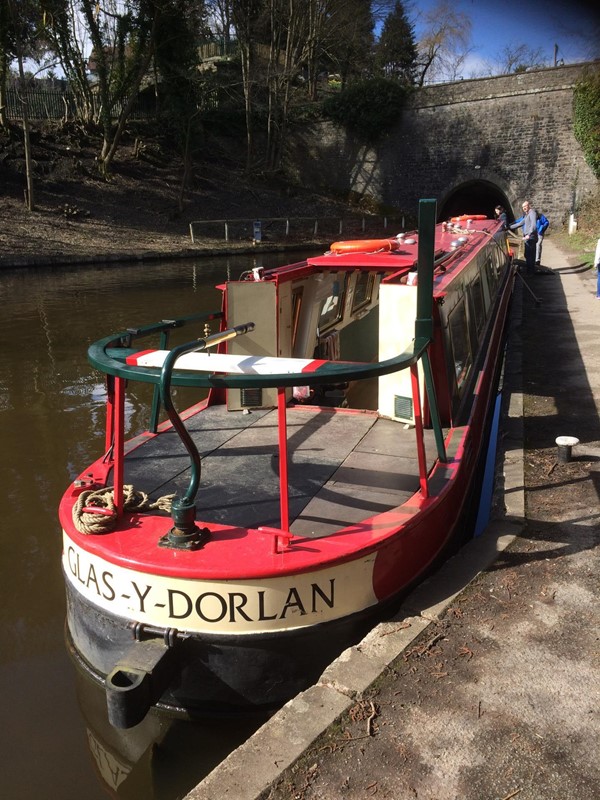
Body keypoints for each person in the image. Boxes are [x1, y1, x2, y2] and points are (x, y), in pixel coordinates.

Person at [509, 200, 538, 275]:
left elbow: (534, 225)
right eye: (523, 207)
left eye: (525, 206)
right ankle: (529, 271)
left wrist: (529, 234)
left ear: (529, 205)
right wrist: (509, 227)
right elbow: (520, 223)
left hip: (531, 237)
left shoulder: (532, 213)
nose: (524, 208)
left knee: (530, 256)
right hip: (527, 237)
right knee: (527, 255)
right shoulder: (527, 215)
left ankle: (531, 272)